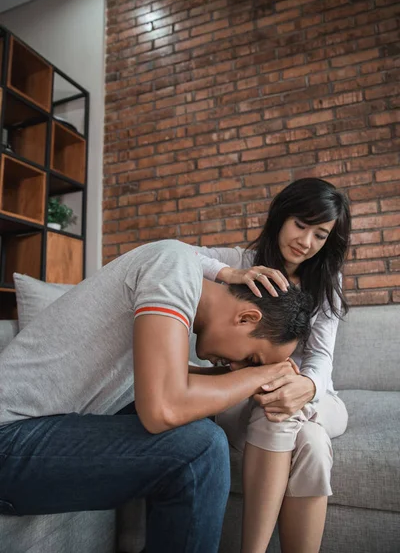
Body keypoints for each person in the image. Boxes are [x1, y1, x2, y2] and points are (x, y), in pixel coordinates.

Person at [0, 239, 313, 553]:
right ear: (246, 318)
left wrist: (256, 380)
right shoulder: (173, 269)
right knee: (200, 447)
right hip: (8, 438)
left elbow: (170, 382)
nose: (239, 367)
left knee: (198, 413)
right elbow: (162, 408)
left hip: (39, 430)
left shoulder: (179, 273)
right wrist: (260, 375)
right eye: (252, 358)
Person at [191, 177, 351, 553]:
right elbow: (173, 255)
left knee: (284, 407)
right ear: (282, 216)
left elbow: (320, 356)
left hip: (318, 396)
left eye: (320, 234)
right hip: (248, 396)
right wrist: (227, 273)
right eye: (300, 224)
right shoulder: (243, 262)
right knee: (307, 439)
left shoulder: (325, 280)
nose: (306, 241)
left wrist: (308, 386)